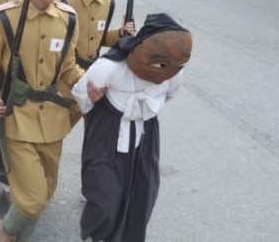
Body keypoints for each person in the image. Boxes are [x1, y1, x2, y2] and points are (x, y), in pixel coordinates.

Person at [0, 0, 84, 242]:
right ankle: (5, 230)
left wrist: (89, 85)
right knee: (31, 200)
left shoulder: (68, 19)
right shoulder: (6, 18)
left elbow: (69, 68)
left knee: (45, 193)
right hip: (17, 117)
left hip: (53, 120)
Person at [72, 13, 192, 242]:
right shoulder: (110, 66)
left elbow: (169, 95)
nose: (165, 71)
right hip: (109, 131)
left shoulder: (175, 72)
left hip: (145, 134)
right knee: (104, 200)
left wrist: (143, 111)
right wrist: (98, 107)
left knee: (141, 195)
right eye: (160, 63)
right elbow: (80, 93)